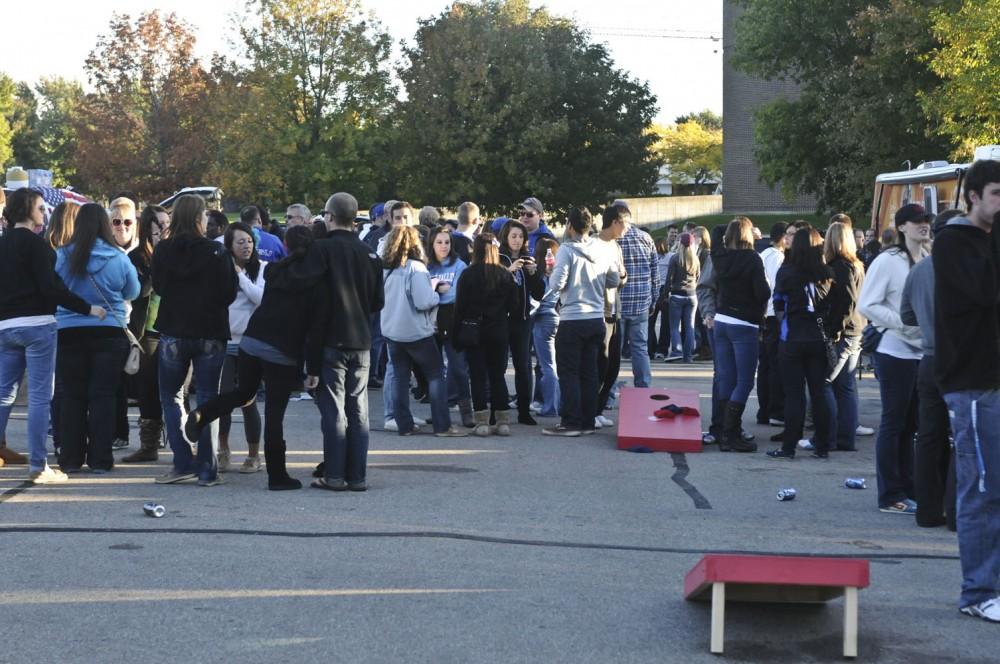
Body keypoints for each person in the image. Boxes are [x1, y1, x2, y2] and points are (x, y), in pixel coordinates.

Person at [184, 225, 329, 490]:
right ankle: (277, 475)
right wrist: (313, 367)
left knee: (242, 392)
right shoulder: (317, 283)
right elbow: (316, 329)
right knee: (274, 414)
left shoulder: (275, 271)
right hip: (281, 351)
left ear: (285, 245)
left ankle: (203, 413)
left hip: (252, 340)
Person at [932, 159, 1000, 622]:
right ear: (973, 195)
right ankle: (978, 592)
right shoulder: (954, 242)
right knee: (981, 490)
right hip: (974, 383)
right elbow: (985, 292)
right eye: (997, 194)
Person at [0, 189, 106, 481]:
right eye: (39, 207)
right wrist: (88, 309)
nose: (43, 212)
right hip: (38, 324)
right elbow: (52, 289)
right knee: (38, 396)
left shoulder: (2, 244)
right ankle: (38, 464)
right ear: (29, 210)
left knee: (3, 394)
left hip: (6, 325)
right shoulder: (39, 247)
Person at [295, 192, 383, 492]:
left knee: (334, 410)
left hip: (330, 338)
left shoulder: (321, 250)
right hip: (360, 338)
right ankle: (357, 475)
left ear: (330, 217)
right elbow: (377, 301)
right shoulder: (369, 254)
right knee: (358, 409)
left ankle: (334, 474)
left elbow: (308, 298)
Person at [153, 194, 238, 486]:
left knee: (171, 396)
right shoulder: (216, 252)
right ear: (199, 219)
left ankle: (182, 460)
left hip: (175, 328)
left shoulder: (163, 250)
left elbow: (160, 287)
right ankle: (207, 467)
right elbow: (229, 293)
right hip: (210, 330)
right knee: (208, 398)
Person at [54, 203, 140, 473]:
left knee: (72, 396)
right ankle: (101, 459)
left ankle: (70, 458)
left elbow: (53, 288)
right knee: (103, 396)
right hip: (109, 332)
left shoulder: (63, 255)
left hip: (69, 330)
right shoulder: (118, 257)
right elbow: (133, 291)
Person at [858, 203, 930, 514]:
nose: (923, 226)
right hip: (894, 350)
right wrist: (904, 322)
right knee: (894, 421)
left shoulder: (927, 257)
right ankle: (890, 494)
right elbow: (867, 304)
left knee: (912, 423)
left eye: (926, 220)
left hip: (921, 351)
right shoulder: (888, 261)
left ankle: (910, 488)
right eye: (916, 222)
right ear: (901, 227)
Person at [901, 210, 963, 528]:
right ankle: (955, 511)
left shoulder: (920, 269)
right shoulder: (967, 268)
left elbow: (907, 316)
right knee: (963, 438)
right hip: (962, 362)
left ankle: (927, 510)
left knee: (929, 437)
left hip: (929, 360)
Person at [543, 207, 622, 436]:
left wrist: (550, 276)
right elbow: (614, 279)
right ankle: (588, 420)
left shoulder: (566, 251)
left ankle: (571, 421)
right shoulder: (602, 249)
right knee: (590, 372)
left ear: (569, 226)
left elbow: (557, 284)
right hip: (596, 317)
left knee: (569, 372)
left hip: (572, 318)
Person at [380, 225, 465, 438]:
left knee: (399, 378)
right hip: (416, 332)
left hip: (392, 331)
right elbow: (423, 301)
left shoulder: (385, 269)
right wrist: (435, 291)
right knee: (435, 375)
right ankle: (442, 425)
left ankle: (404, 424)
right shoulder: (416, 269)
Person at [765, 227, 833, 459]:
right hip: (817, 337)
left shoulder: (787, 271)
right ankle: (823, 446)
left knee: (794, 395)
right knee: (819, 393)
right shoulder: (826, 272)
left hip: (792, 336)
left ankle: (789, 446)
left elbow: (779, 304)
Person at [711, 217, 770, 452]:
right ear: (749, 236)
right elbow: (762, 292)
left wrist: (733, 229)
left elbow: (716, 229)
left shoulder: (721, 257)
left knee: (726, 378)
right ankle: (731, 432)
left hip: (721, 320)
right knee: (744, 381)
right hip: (744, 323)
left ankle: (727, 433)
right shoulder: (753, 259)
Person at [453, 234, 518, 436]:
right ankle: (502, 420)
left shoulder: (468, 274)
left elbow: (460, 307)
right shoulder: (505, 275)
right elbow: (513, 307)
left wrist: (456, 335)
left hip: (475, 330)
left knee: (478, 375)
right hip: (498, 329)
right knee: (498, 375)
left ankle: (481, 420)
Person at [121, 204, 170, 463]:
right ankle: (149, 445)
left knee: (177, 392)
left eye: (167, 225)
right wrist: (156, 266)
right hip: (146, 332)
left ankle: (184, 443)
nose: (164, 230)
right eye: (159, 226)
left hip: (174, 330)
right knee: (148, 389)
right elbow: (137, 292)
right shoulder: (137, 257)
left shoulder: (178, 252)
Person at [215, 222, 266, 473]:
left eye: (249, 241)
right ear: (229, 246)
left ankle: (254, 454)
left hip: (250, 344)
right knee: (223, 398)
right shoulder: (221, 269)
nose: (246, 246)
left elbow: (261, 299)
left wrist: (241, 277)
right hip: (225, 342)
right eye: (240, 242)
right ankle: (223, 449)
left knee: (248, 401)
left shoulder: (262, 270)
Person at [821, 221, 867, 453]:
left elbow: (846, 301)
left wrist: (835, 330)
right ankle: (845, 438)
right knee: (845, 386)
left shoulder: (841, 266)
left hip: (844, 332)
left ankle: (826, 436)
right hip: (856, 329)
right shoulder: (856, 264)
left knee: (825, 382)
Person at [498, 219, 545, 425]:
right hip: (501, 320)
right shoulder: (498, 258)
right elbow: (492, 287)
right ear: (506, 238)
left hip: (523, 319)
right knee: (499, 365)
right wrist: (508, 271)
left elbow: (539, 293)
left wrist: (534, 274)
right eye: (513, 236)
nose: (517, 240)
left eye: (520, 236)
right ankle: (499, 408)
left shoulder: (528, 259)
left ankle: (524, 410)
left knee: (523, 366)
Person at [425, 226, 473, 427]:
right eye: (439, 242)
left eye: (447, 242)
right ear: (432, 244)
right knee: (434, 370)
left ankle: (466, 412)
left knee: (459, 367)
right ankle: (438, 411)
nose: (443, 246)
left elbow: (456, 293)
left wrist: (434, 288)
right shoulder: (426, 265)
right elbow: (422, 291)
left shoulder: (459, 265)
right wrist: (436, 285)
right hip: (430, 318)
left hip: (452, 318)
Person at [594, 204, 629, 429]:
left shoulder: (616, 246)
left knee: (613, 365)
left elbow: (621, 275)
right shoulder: (594, 245)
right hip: (599, 311)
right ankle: (590, 410)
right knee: (599, 364)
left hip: (616, 311)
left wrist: (622, 275)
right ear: (615, 222)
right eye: (626, 225)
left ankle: (598, 409)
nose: (627, 230)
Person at [617, 208, 658, 388]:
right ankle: (643, 388)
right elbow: (654, 273)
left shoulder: (613, 239)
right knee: (640, 348)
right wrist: (654, 299)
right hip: (641, 302)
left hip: (617, 303)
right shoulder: (646, 238)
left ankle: (608, 396)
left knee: (613, 352)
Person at [756, 222, 790, 425]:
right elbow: (778, 287)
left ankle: (764, 410)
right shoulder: (778, 258)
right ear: (783, 237)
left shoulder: (763, 255)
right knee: (776, 365)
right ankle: (776, 410)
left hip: (762, 314)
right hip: (774, 315)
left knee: (765, 366)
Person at [531, 236, 561, 418]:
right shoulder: (558, 273)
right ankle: (558, 402)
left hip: (543, 319)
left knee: (547, 366)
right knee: (556, 364)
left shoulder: (540, 276)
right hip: (559, 318)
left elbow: (536, 300)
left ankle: (550, 406)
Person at [664, 232, 700, 363]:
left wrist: (665, 295)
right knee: (690, 326)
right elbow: (698, 277)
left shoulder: (675, 258)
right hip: (692, 295)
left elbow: (669, 279)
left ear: (680, 243)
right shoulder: (696, 259)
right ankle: (688, 356)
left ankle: (676, 351)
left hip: (677, 295)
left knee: (674, 327)